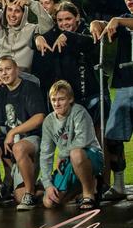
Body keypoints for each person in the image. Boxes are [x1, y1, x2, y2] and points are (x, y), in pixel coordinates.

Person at [0, 56, 46, 210]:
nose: (4, 73)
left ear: (17, 70)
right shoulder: (3, 92)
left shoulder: (30, 87)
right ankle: (1, 187)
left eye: (8, 69)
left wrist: (13, 132)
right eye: (0, 70)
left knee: (19, 148)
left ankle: (31, 193)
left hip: (32, 139)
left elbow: (39, 117)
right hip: (13, 143)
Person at [90, 0, 133, 200]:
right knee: (113, 136)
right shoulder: (122, 19)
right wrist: (96, 23)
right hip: (125, 84)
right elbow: (106, 25)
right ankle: (118, 186)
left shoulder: (124, 20)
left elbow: (124, 22)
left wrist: (118, 20)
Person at [40, 80, 103, 210]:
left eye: (61, 99)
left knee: (76, 153)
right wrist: (47, 185)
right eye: (53, 100)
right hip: (68, 161)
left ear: (70, 99)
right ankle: (86, 186)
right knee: (50, 202)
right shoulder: (48, 121)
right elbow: (46, 153)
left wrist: (62, 154)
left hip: (91, 155)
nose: (57, 103)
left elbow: (82, 140)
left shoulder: (79, 112)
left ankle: (88, 194)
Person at [0, 0, 54, 72]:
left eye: (17, 11)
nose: (12, 15)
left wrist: (31, 3)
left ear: (24, 14)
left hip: (24, 80)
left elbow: (49, 25)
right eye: (10, 10)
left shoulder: (32, 29)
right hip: (1, 79)